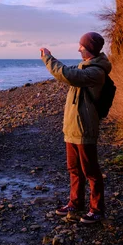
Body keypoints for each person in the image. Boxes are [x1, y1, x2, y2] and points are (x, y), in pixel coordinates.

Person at [39, 32, 112, 224]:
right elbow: (68, 72)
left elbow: (66, 74)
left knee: (90, 171)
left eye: (82, 46)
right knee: (73, 169)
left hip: (84, 128)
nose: (79, 49)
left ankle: (97, 210)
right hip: (72, 128)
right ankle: (75, 203)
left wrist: (48, 58)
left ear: (90, 49)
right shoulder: (85, 66)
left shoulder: (95, 72)